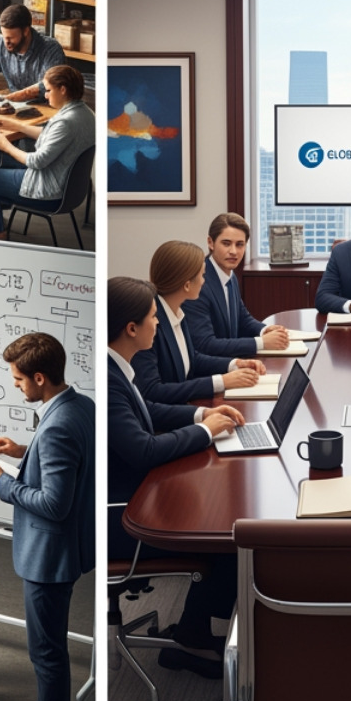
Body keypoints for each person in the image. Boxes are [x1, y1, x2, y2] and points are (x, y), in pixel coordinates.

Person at [107, 277, 243, 676]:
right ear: (131, 328)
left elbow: (147, 411)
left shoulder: (118, 366)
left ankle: (194, 630)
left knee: (222, 512)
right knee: (225, 534)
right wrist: (205, 432)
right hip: (124, 516)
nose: (158, 324)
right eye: (153, 318)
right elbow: (143, 449)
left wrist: (203, 414)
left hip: (138, 493)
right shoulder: (111, 376)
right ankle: (191, 640)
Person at [0, 332, 95, 701]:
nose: (15, 385)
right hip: (68, 547)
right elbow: (65, 463)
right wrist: (24, 452)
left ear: (39, 377)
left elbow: (53, 504)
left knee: (46, 650)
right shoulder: (80, 406)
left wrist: (2, 480)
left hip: (49, 556)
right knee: (49, 646)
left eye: (18, 379)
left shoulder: (58, 424)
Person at [132, 240, 265, 403]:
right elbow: (152, 391)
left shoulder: (177, 311)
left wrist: (234, 364)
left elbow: (192, 359)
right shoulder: (149, 324)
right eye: (202, 275)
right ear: (187, 285)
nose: (204, 281)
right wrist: (221, 382)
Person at [0, 64, 94, 242]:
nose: (45, 95)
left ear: (63, 89)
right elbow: (51, 135)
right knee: (2, 162)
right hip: (69, 187)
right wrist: (15, 126)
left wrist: (6, 145)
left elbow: (36, 161)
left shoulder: (66, 122)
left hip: (49, 192)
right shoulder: (85, 113)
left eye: (48, 90)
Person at [182, 212, 290, 358]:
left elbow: (242, 318)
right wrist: (261, 343)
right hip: (211, 367)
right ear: (210, 243)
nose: (233, 251)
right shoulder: (198, 283)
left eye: (240, 244)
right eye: (226, 243)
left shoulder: (230, 276)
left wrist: (265, 330)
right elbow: (205, 344)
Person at [0, 4, 67, 103]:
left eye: (10, 38)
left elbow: (51, 85)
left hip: (46, 106)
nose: (6, 42)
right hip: (15, 106)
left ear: (25, 31)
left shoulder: (51, 49)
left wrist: (14, 97)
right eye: (4, 36)